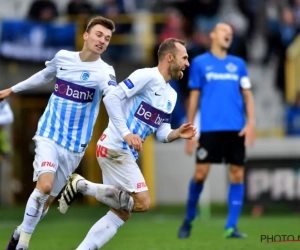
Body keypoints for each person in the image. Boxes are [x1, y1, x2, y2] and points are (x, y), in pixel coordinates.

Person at [1, 16, 133, 250]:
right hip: (49, 134)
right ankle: (22, 245)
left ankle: (19, 232)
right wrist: (13, 89)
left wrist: (124, 132)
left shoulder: (105, 72)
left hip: (74, 147)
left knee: (46, 202)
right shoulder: (63, 58)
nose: (102, 40)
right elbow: (43, 75)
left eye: (107, 38)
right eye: (99, 35)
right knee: (43, 187)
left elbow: (111, 99)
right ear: (86, 35)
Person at [57, 38, 195, 249]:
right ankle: (82, 186)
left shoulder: (171, 95)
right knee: (142, 202)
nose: (187, 63)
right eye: (184, 57)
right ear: (170, 57)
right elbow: (111, 98)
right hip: (115, 147)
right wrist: (126, 133)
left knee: (121, 212)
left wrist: (176, 133)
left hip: (124, 152)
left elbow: (160, 131)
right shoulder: (146, 76)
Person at [177, 23, 255, 239]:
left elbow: (247, 95)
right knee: (201, 174)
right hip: (210, 129)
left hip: (236, 129)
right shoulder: (201, 63)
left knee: (237, 174)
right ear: (212, 35)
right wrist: (190, 130)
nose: (228, 33)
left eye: (230, 32)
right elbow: (194, 97)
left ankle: (231, 226)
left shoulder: (238, 64)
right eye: (223, 30)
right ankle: (189, 218)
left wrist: (251, 124)